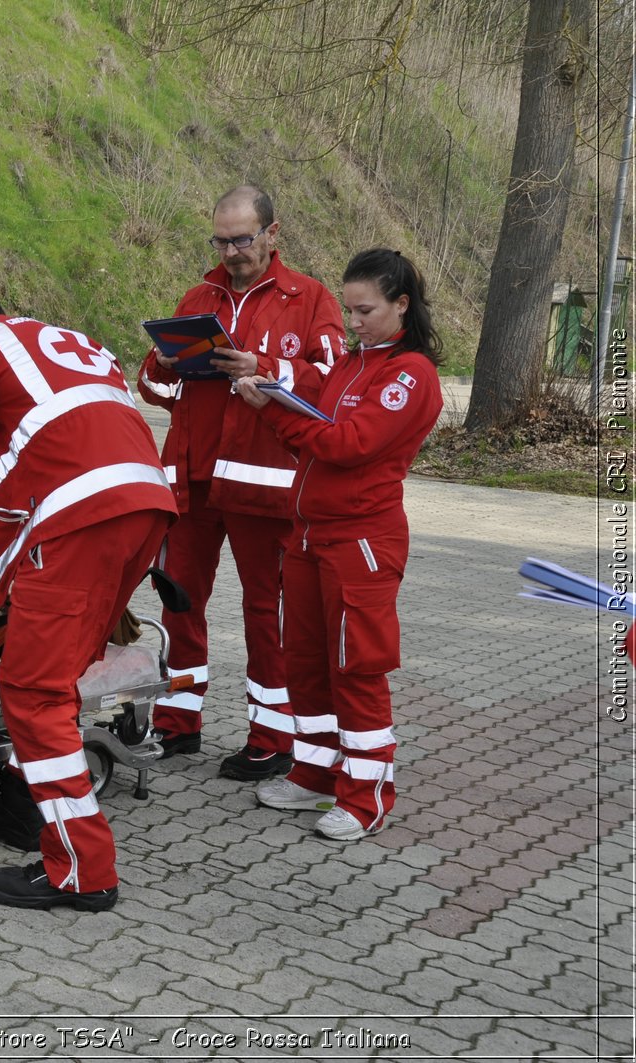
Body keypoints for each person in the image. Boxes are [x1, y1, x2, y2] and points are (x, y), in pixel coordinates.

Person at [0, 287, 177, 912]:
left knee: (32, 691)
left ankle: (82, 869)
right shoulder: (68, 343)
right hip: (144, 507)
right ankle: (25, 808)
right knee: (61, 675)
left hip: (79, 518)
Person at [136, 185, 345, 782]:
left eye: (243, 239)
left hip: (265, 485)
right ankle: (177, 721)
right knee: (179, 598)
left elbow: (330, 388)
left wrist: (267, 367)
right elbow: (157, 393)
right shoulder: (198, 298)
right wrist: (162, 364)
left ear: (274, 233)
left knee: (267, 610)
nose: (231, 251)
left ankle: (273, 735)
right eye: (221, 240)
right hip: (193, 479)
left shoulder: (309, 299)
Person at [237, 249, 443, 840]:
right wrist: (277, 403)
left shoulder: (411, 374)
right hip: (309, 535)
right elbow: (314, 426)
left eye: (365, 311)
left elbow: (347, 444)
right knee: (305, 660)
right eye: (348, 310)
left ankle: (367, 793)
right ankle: (315, 770)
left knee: (356, 667)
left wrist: (279, 417)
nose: (352, 323)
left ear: (401, 305)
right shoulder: (353, 363)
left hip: (361, 543)